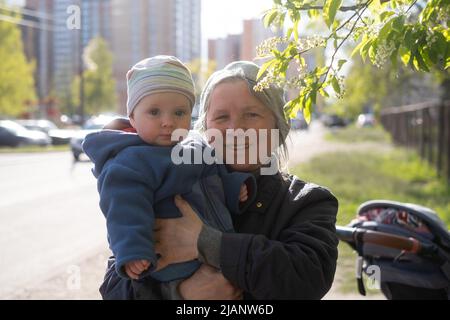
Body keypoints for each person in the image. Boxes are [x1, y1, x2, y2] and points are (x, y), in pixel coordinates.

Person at [99, 60, 339, 300]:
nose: (236, 128)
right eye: (222, 117)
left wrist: (209, 243)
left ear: (278, 125)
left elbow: (307, 278)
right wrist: (177, 294)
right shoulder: (169, 187)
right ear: (205, 128)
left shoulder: (308, 202)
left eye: (252, 114)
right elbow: (114, 288)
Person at [82, 56, 256, 298]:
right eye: (154, 112)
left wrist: (233, 187)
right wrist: (133, 250)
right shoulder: (131, 162)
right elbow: (124, 208)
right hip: (171, 262)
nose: (168, 122)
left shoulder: (195, 149)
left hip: (214, 249)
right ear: (132, 118)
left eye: (179, 112)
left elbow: (211, 177)